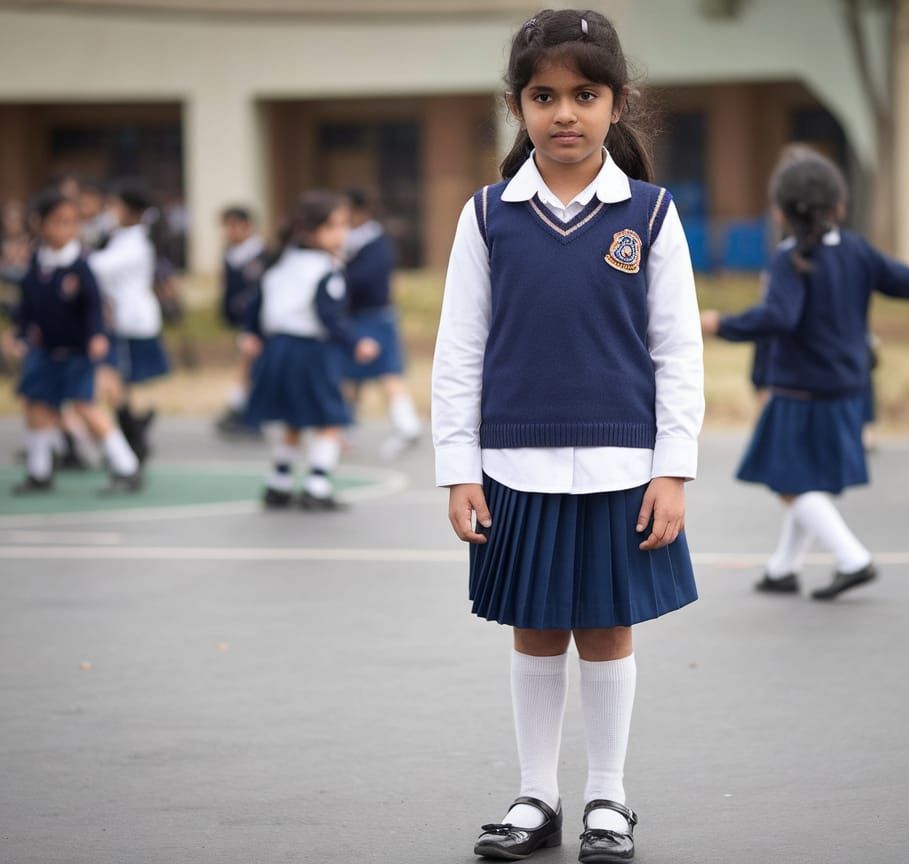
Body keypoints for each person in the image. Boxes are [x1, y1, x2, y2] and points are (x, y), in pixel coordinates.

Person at [432, 10, 704, 862]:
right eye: (543, 96)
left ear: (618, 102)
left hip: (625, 465)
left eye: (584, 95)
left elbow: (679, 351)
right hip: (513, 464)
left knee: (609, 630)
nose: (564, 113)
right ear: (517, 106)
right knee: (537, 629)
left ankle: (608, 799)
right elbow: (458, 350)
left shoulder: (651, 215)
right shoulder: (486, 216)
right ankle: (536, 795)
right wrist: (458, 469)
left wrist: (674, 470)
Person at [701, 148, 909, 600]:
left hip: (800, 392)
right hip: (847, 389)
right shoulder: (856, 249)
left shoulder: (788, 258)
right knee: (805, 479)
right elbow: (898, 278)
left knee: (788, 482)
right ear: (838, 204)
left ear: (780, 211)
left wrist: (721, 324)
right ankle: (784, 568)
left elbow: (778, 318)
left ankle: (852, 558)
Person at [242, 190, 379, 511]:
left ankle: (279, 481)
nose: (341, 233)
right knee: (331, 419)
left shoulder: (281, 261)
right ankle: (317, 485)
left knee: (294, 419)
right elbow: (329, 315)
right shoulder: (325, 268)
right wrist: (356, 342)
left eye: (344, 225)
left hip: (277, 350)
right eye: (333, 226)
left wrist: (251, 332)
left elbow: (257, 302)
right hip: (310, 352)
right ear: (309, 230)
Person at [9, 189, 140, 494]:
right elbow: (27, 307)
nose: (65, 229)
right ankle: (39, 472)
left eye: (71, 222)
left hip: (78, 350)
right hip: (45, 349)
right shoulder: (37, 262)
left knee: (84, 405)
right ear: (40, 223)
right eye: (57, 221)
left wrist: (96, 336)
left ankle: (127, 466)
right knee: (36, 405)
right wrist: (20, 335)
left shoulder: (80, 264)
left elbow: (93, 306)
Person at [88, 178, 171, 463]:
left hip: (127, 321)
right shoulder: (122, 238)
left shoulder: (135, 243)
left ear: (130, 210)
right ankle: (133, 433)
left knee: (113, 380)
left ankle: (133, 438)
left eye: (114, 206)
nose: (109, 212)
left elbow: (97, 268)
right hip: (121, 320)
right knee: (117, 383)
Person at [340, 188, 422, 458]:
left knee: (387, 373)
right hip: (358, 316)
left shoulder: (375, 241)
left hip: (374, 315)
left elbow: (366, 280)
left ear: (361, 211)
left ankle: (406, 425)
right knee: (350, 376)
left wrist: (340, 275)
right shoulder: (352, 241)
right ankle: (345, 429)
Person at [215, 205, 266, 437]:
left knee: (251, 367)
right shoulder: (231, 255)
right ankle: (242, 411)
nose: (229, 232)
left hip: (258, 322)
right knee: (249, 366)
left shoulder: (262, 256)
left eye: (233, 226)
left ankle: (244, 412)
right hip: (242, 321)